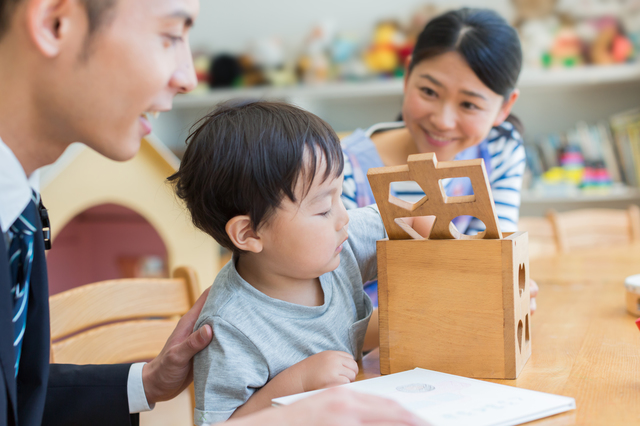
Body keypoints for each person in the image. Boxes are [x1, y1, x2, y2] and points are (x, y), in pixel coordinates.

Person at [0, 1, 427, 426]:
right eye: (168, 36)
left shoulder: (19, 209)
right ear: (56, 23)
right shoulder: (233, 324)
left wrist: (146, 382)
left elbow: (20, 391)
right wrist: (295, 393)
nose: (187, 77)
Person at [168, 100, 433, 424]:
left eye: (338, 196)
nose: (343, 217)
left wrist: (440, 236)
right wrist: (298, 382)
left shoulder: (339, 242)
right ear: (249, 232)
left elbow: (412, 219)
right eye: (323, 209)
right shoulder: (231, 328)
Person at [340, 8, 538, 310]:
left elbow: (492, 259)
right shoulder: (343, 166)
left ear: (504, 107)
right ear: (407, 77)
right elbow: (336, 291)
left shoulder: (500, 148)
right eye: (429, 91)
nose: (443, 121)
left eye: (469, 104)